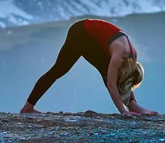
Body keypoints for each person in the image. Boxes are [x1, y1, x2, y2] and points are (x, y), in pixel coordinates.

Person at [20, 18, 157, 116]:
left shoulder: (132, 60)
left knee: (58, 69)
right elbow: (111, 83)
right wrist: (123, 111)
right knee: (103, 70)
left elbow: (126, 81)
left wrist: (132, 104)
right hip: (81, 32)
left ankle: (28, 107)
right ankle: (28, 107)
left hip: (84, 31)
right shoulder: (120, 55)